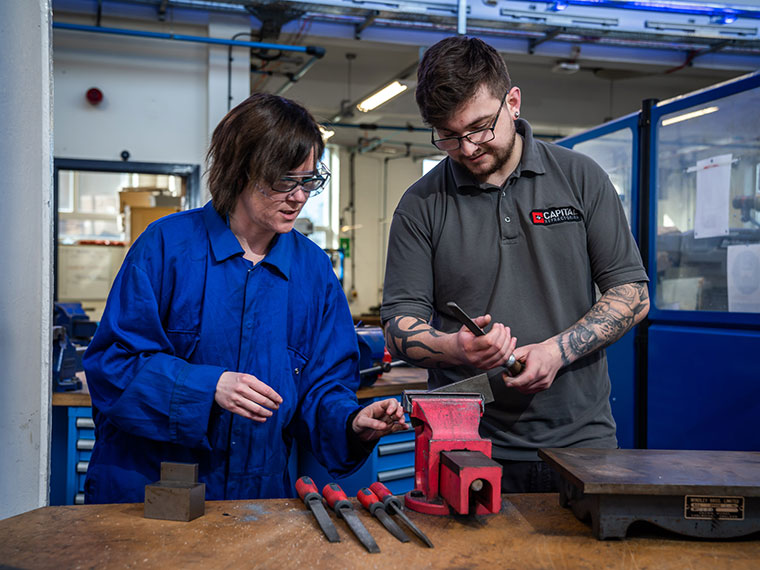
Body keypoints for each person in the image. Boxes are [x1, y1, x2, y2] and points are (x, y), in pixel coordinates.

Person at [83, 93, 407, 504]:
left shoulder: (312, 272)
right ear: (240, 172)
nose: (299, 197)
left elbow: (323, 387)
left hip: (255, 499)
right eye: (283, 181)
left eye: (308, 180)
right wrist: (207, 387)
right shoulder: (166, 247)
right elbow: (113, 365)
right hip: (152, 489)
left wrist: (351, 421)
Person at [381, 36, 650, 493]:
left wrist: (556, 351)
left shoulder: (581, 178)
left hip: (581, 444)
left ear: (513, 102)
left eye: (481, 127)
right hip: (464, 445)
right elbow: (397, 323)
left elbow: (633, 293)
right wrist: (455, 348)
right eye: (448, 135)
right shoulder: (421, 204)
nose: (466, 148)